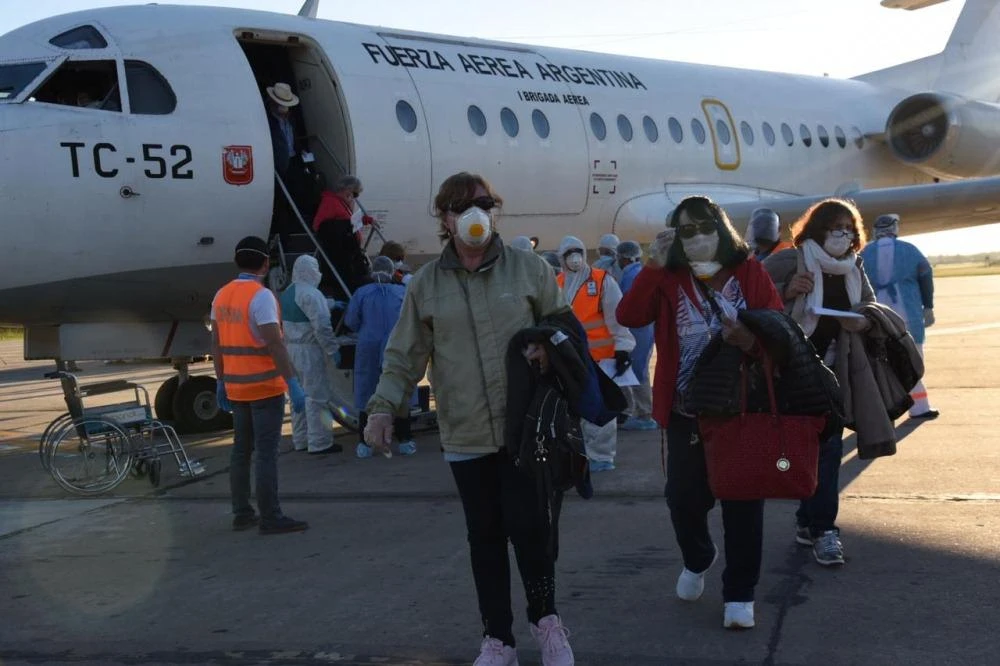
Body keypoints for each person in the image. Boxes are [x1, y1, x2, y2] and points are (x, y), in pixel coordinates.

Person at [362, 172, 576, 665]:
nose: (474, 212)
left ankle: (546, 623)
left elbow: (566, 330)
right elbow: (403, 356)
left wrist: (551, 349)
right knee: (485, 538)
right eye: (460, 206)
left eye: (482, 202)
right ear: (445, 217)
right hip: (466, 433)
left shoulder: (529, 269)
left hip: (526, 430)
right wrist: (382, 408)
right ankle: (498, 639)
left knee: (532, 532)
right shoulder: (426, 284)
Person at [616, 196, 783, 630]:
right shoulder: (669, 276)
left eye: (705, 225)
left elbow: (779, 330)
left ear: (721, 227)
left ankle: (740, 592)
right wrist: (653, 265)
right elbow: (629, 315)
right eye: (686, 229)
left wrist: (749, 339)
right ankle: (698, 555)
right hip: (686, 410)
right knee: (684, 499)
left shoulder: (749, 271)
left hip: (741, 408)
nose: (698, 235)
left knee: (742, 501)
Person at [763, 198, 877, 567]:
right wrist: (787, 291)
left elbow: (869, 306)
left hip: (835, 370)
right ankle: (810, 520)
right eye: (834, 228)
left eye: (848, 229)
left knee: (827, 448)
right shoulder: (788, 259)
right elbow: (751, 301)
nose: (842, 235)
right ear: (817, 229)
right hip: (793, 369)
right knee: (805, 449)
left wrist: (861, 320)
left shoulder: (854, 266)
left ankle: (822, 527)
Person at [211, 236, 309, 535]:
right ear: (266, 264)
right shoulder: (261, 296)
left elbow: (216, 343)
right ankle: (270, 516)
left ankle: (242, 513)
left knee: (241, 452)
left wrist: (221, 380)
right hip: (265, 388)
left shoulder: (221, 295)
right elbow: (274, 344)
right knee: (266, 454)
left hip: (236, 388)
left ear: (236, 261)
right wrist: (292, 382)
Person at [556, 236, 635, 472]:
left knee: (600, 408)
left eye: (577, 251)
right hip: (570, 358)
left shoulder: (602, 281)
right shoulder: (557, 283)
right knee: (574, 409)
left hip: (601, 359)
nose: (574, 257)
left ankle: (601, 456)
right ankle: (579, 454)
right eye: (568, 253)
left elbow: (617, 317)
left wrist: (623, 348)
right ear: (561, 258)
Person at [860, 214, 939, 419]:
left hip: (876, 316)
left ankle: (882, 411)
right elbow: (925, 276)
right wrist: (928, 307)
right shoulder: (910, 250)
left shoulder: (865, 253)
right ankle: (919, 407)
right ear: (895, 228)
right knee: (913, 360)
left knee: (880, 363)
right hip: (908, 314)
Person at [346, 256, 416, 458]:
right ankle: (405, 440)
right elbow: (411, 320)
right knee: (398, 390)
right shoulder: (401, 292)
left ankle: (365, 443)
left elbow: (351, 321)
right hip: (395, 347)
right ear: (393, 271)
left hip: (368, 347)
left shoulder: (362, 293)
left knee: (366, 394)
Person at [279, 255, 342, 455]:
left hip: (290, 349)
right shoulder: (312, 294)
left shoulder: (288, 292)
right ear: (311, 271)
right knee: (317, 397)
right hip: (309, 351)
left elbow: (305, 307)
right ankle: (320, 443)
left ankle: (301, 439)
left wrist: (332, 303)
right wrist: (332, 349)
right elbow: (322, 326)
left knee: (298, 398)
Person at [615, 240, 657, 431]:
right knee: (638, 369)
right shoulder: (638, 273)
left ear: (623, 258)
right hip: (642, 330)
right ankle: (640, 411)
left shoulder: (631, 277)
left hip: (637, 330)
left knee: (638, 370)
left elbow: (625, 304)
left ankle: (645, 414)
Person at [312, 175, 373, 299]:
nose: (354, 197)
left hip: (348, 252)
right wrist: (347, 225)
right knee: (348, 282)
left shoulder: (341, 203)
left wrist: (363, 220)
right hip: (340, 253)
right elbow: (318, 225)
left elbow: (350, 222)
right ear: (347, 190)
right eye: (355, 194)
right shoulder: (330, 202)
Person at [266, 82, 300, 179]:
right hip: (277, 165)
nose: (285, 108)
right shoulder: (268, 121)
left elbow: (293, 138)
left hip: (293, 160)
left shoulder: (291, 120)